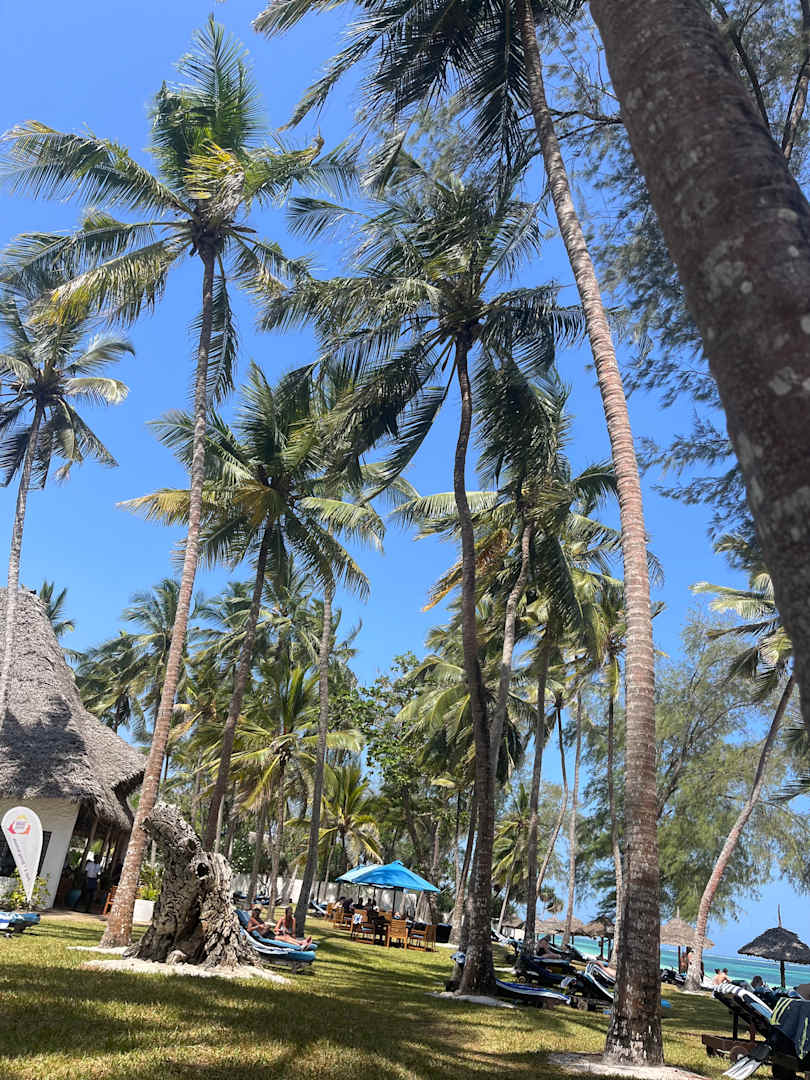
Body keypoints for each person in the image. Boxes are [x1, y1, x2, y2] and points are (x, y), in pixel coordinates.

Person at [247, 906, 312, 948]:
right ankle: (299, 946)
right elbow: (248, 929)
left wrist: (267, 927)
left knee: (287, 937)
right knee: (285, 938)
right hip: (265, 935)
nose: (258, 912)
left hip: (268, 933)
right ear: (253, 911)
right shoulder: (251, 919)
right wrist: (258, 926)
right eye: (256, 911)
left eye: (258, 911)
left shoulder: (258, 919)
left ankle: (302, 942)